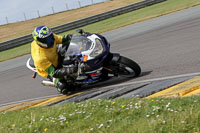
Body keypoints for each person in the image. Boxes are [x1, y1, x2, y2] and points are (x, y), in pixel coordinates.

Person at [31, 26, 77, 94]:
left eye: (50, 36)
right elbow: (54, 73)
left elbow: (62, 39)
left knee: (71, 42)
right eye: (47, 39)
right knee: (64, 88)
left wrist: (73, 36)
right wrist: (72, 69)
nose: (51, 40)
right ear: (40, 41)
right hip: (50, 70)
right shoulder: (40, 58)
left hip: (55, 56)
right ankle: (57, 84)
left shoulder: (50, 36)